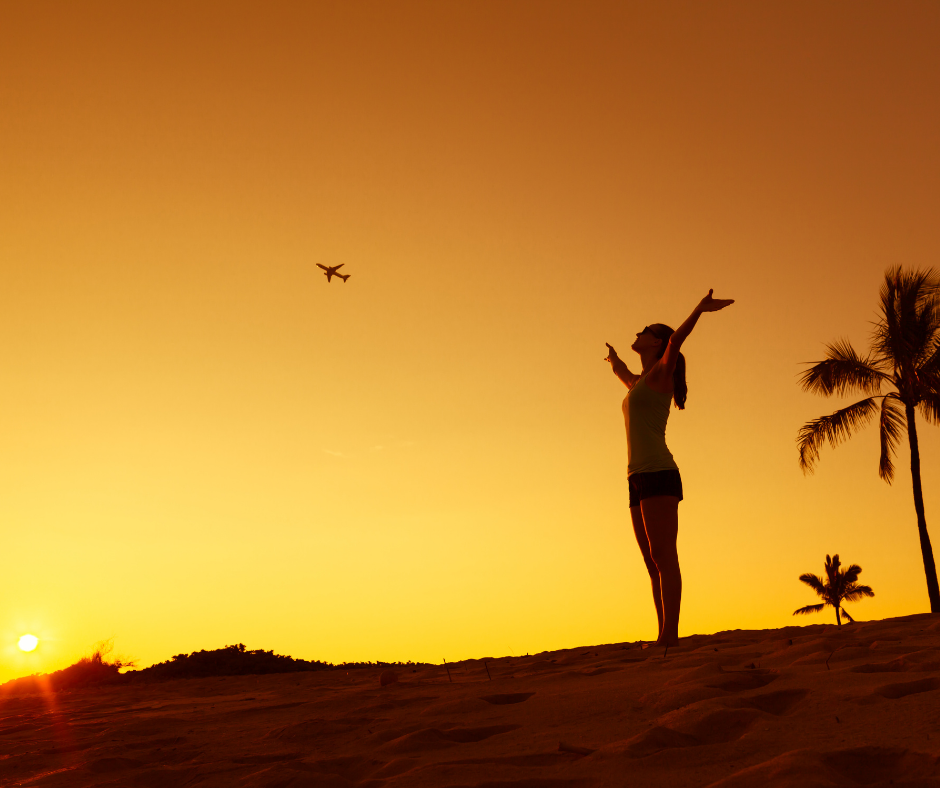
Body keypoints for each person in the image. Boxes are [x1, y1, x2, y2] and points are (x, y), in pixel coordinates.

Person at [605, 289, 733, 646]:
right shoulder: (640, 383)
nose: (638, 332)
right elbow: (625, 375)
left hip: (660, 473)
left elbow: (678, 339)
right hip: (636, 477)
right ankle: (662, 634)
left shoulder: (663, 374)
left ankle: (670, 638)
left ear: (658, 342)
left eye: (645, 330)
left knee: (664, 556)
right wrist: (614, 361)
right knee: (650, 561)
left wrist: (700, 310)